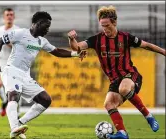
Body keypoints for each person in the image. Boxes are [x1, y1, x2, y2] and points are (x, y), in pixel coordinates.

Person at [67, 5, 165, 139]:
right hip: (115, 80)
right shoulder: (97, 40)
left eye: (107, 25)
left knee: (124, 88)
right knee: (108, 104)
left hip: (130, 75)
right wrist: (72, 39)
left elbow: (147, 45)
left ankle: (149, 117)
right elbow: (77, 47)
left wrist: (164, 52)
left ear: (114, 22)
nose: (104, 29)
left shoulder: (125, 37)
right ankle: (122, 133)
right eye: (102, 26)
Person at [0, 11, 86, 139]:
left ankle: (19, 123)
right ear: (37, 23)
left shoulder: (42, 41)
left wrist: (76, 54)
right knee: (13, 95)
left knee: (45, 100)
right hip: (11, 70)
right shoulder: (20, 33)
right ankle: (14, 128)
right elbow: (0, 41)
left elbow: (57, 51)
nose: (47, 30)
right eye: (46, 26)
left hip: (25, 75)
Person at [0, 8, 21, 117]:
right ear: (4, 17)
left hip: (12, 62)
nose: (9, 16)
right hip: (0, 60)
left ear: (14, 17)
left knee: (14, 89)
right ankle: (4, 102)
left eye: (11, 15)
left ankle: (16, 112)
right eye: (7, 14)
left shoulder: (17, 30)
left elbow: (19, 47)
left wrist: (7, 42)